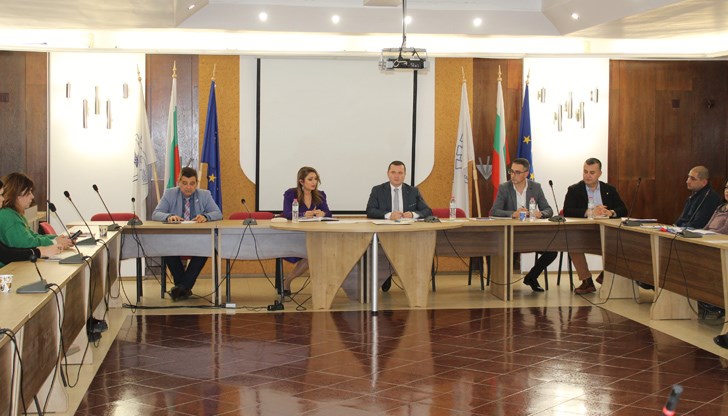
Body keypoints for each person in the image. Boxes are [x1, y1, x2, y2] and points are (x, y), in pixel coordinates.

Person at [152, 167, 222, 301]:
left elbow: (218, 213)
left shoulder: (205, 195)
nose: (188, 187)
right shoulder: (170, 194)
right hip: (175, 239)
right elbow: (156, 214)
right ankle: (183, 288)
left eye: (192, 183)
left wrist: (206, 216)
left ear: (196, 184)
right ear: (179, 182)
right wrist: (169, 216)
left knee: (207, 248)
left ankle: (180, 288)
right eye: (184, 183)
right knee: (165, 248)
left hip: (198, 239)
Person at [491, 158, 556, 292]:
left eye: (517, 172)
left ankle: (531, 277)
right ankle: (502, 284)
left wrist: (540, 214)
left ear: (526, 173)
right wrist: (513, 214)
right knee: (509, 251)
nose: (513, 175)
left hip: (531, 234)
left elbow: (548, 210)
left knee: (552, 251)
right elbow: (494, 211)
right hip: (511, 234)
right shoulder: (504, 187)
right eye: (511, 171)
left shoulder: (535, 187)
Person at [563, 158, 627, 294]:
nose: (588, 175)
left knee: (622, 241)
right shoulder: (574, 190)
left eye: (592, 172)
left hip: (606, 231)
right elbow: (567, 211)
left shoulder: (609, 189)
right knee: (572, 244)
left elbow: (623, 209)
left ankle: (607, 274)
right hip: (583, 232)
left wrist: (611, 212)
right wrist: (589, 212)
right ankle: (587, 281)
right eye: (585, 171)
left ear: (600, 173)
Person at [366, 160, 432, 291]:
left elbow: (427, 211)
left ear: (405, 175)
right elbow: (370, 210)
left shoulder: (413, 191)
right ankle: (385, 275)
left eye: (400, 173)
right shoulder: (378, 190)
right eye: (393, 172)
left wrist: (413, 214)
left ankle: (411, 279)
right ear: (388, 174)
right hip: (384, 233)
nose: (396, 176)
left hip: (407, 234)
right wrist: (388, 215)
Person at [0, 174, 71, 267]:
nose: (32, 196)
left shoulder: (14, 214)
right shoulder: (8, 216)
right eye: (29, 192)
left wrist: (57, 238)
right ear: (17, 195)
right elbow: (26, 244)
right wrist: (54, 242)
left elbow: (32, 236)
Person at [281, 166, 332, 293]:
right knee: (311, 255)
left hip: (314, 234)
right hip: (295, 234)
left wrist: (323, 214)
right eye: (310, 179)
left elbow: (329, 214)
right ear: (301, 181)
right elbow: (287, 214)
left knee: (314, 254)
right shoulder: (291, 194)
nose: (314, 182)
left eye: (316, 179)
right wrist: (303, 214)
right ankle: (288, 281)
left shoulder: (320, 195)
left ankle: (288, 280)